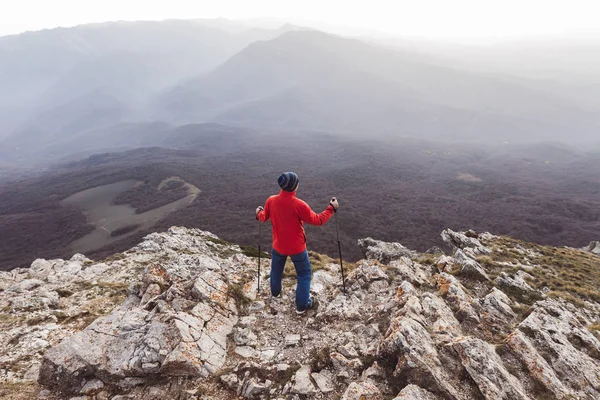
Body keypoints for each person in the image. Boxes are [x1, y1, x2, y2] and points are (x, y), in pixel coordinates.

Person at [256, 172, 339, 314]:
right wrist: (331, 208)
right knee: (304, 273)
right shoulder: (299, 204)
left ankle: (275, 294)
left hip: (278, 245)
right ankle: (301, 306)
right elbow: (318, 220)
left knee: (276, 270)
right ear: (295, 186)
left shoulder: (271, 200)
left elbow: (263, 218)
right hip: (297, 247)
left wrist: (258, 212)